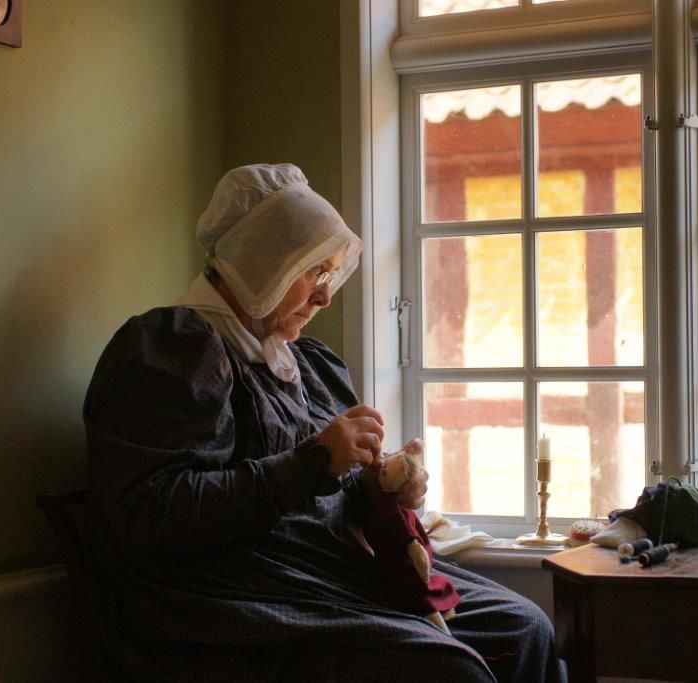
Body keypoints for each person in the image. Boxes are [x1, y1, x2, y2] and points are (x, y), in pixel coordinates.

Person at [84, 163, 565, 682]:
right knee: (453, 672)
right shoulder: (173, 349)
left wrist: (382, 486)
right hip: (232, 602)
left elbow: (332, 495)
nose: (324, 295)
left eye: (328, 273)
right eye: (314, 272)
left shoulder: (307, 364)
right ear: (261, 263)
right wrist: (314, 461)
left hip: (332, 572)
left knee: (524, 627)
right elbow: (153, 513)